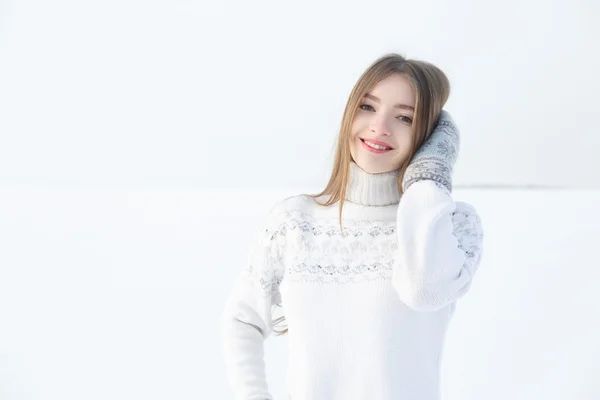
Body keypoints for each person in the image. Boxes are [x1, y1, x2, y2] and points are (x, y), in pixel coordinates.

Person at [220, 53, 485, 400]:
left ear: (430, 137)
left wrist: (430, 176)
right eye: (368, 107)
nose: (380, 127)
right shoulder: (295, 222)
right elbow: (243, 320)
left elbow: (422, 290)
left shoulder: (451, 225)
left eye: (405, 117)